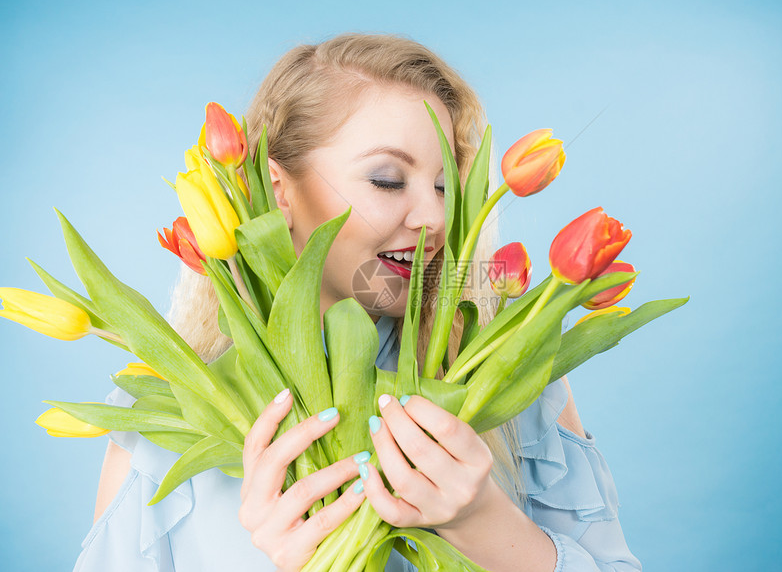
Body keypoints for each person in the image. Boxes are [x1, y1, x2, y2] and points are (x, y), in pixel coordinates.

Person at [77, 33, 642, 571]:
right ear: (278, 191)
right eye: (388, 180)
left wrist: (482, 520)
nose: (436, 219)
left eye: (446, 186)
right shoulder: (164, 412)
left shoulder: (514, 373)